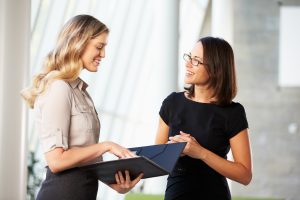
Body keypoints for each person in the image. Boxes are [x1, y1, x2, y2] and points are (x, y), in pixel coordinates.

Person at [21, 15, 143, 200]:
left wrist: (115, 183)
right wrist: (106, 146)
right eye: (99, 47)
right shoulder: (58, 88)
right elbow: (56, 161)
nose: (103, 55)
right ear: (79, 43)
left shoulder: (80, 91)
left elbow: (83, 156)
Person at [155, 36, 252, 199]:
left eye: (196, 61)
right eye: (189, 57)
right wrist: (175, 151)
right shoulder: (172, 102)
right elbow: (157, 160)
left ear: (216, 69)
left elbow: (245, 175)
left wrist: (199, 152)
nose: (187, 64)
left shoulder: (233, 112)